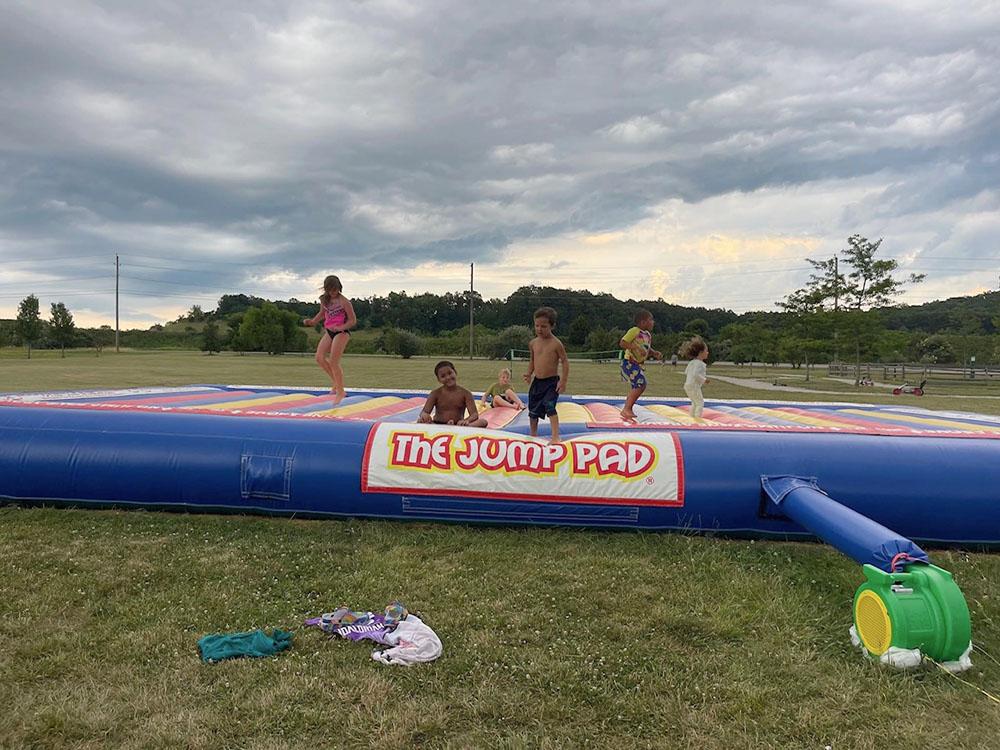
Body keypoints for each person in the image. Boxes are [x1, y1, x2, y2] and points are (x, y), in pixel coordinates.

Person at [303, 275, 356, 404]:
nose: (333, 293)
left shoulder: (344, 302)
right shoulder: (324, 300)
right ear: (326, 289)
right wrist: (313, 321)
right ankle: (336, 383)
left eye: (335, 290)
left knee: (333, 361)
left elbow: (352, 320)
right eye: (330, 290)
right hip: (329, 331)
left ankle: (340, 391)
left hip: (341, 332)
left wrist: (340, 327)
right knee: (319, 357)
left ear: (339, 288)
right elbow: (322, 313)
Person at [523, 307, 569, 442]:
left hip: (551, 382)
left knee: (550, 406)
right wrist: (528, 373)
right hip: (537, 382)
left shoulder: (556, 344)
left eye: (544, 326)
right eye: (537, 325)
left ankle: (555, 436)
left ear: (552, 326)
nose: (539, 329)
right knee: (533, 410)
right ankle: (533, 435)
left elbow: (565, 361)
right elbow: (532, 360)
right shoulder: (533, 343)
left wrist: (563, 381)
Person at [618, 309, 662, 421]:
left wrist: (654, 353)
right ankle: (627, 409)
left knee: (638, 385)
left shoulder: (647, 335)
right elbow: (623, 343)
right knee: (641, 384)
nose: (653, 322)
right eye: (650, 320)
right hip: (629, 362)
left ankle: (628, 408)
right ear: (643, 322)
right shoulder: (634, 331)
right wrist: (636, 347)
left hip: (636, 364)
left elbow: (646, 348)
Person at [418, 361, 488, 427]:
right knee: (420, 421)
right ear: (439, 380)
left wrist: (466, 421)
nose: (448, 377)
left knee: (483, 422)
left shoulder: (465, 393)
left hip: (458, 425)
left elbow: (474, 414)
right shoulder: (435, 394)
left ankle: (464, 426)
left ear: (455, 372)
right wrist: (425, 415)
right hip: (437, 424)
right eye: (443, 376)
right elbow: (424, 412)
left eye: (450, 373)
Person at [680, 336, 710, 419]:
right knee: (700, 402)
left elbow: (687, 372)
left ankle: (692, 417)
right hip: (694, 386)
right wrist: (704, 380)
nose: (707, 353)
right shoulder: (699, 364)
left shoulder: (692, 362)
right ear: (700, 353)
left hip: (687, 385)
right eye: (706, 351)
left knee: (694, 402)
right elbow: (695, 374)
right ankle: (697, 418)